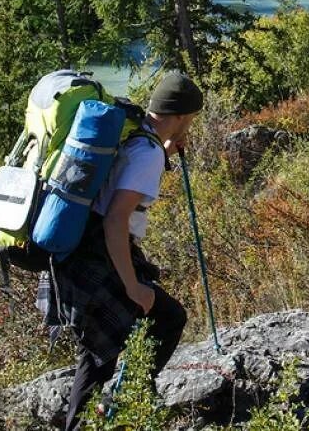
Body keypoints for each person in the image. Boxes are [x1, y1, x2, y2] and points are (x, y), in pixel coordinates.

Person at [48, 71, 202, 431]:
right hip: (100, 252)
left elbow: (121, 180)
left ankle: (95, 416)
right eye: (191, 119)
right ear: (179, 116)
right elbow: (116, 221)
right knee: (168, 319)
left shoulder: (135, 135)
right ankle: (126, 403)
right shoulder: (146, 153)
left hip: (78, 251)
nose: (191, 125)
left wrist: (165, 151)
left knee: (96, 353)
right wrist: (132, 286)